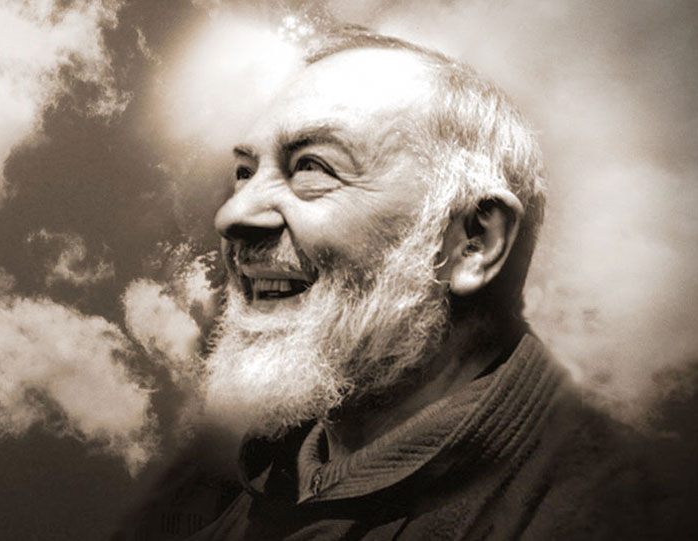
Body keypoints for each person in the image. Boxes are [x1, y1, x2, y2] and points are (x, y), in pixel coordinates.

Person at [190, 26, 660, 540]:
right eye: (244, 171)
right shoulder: (267, 487)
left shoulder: (620, 513)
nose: (231, 215)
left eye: (312, 167)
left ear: (473, 242)